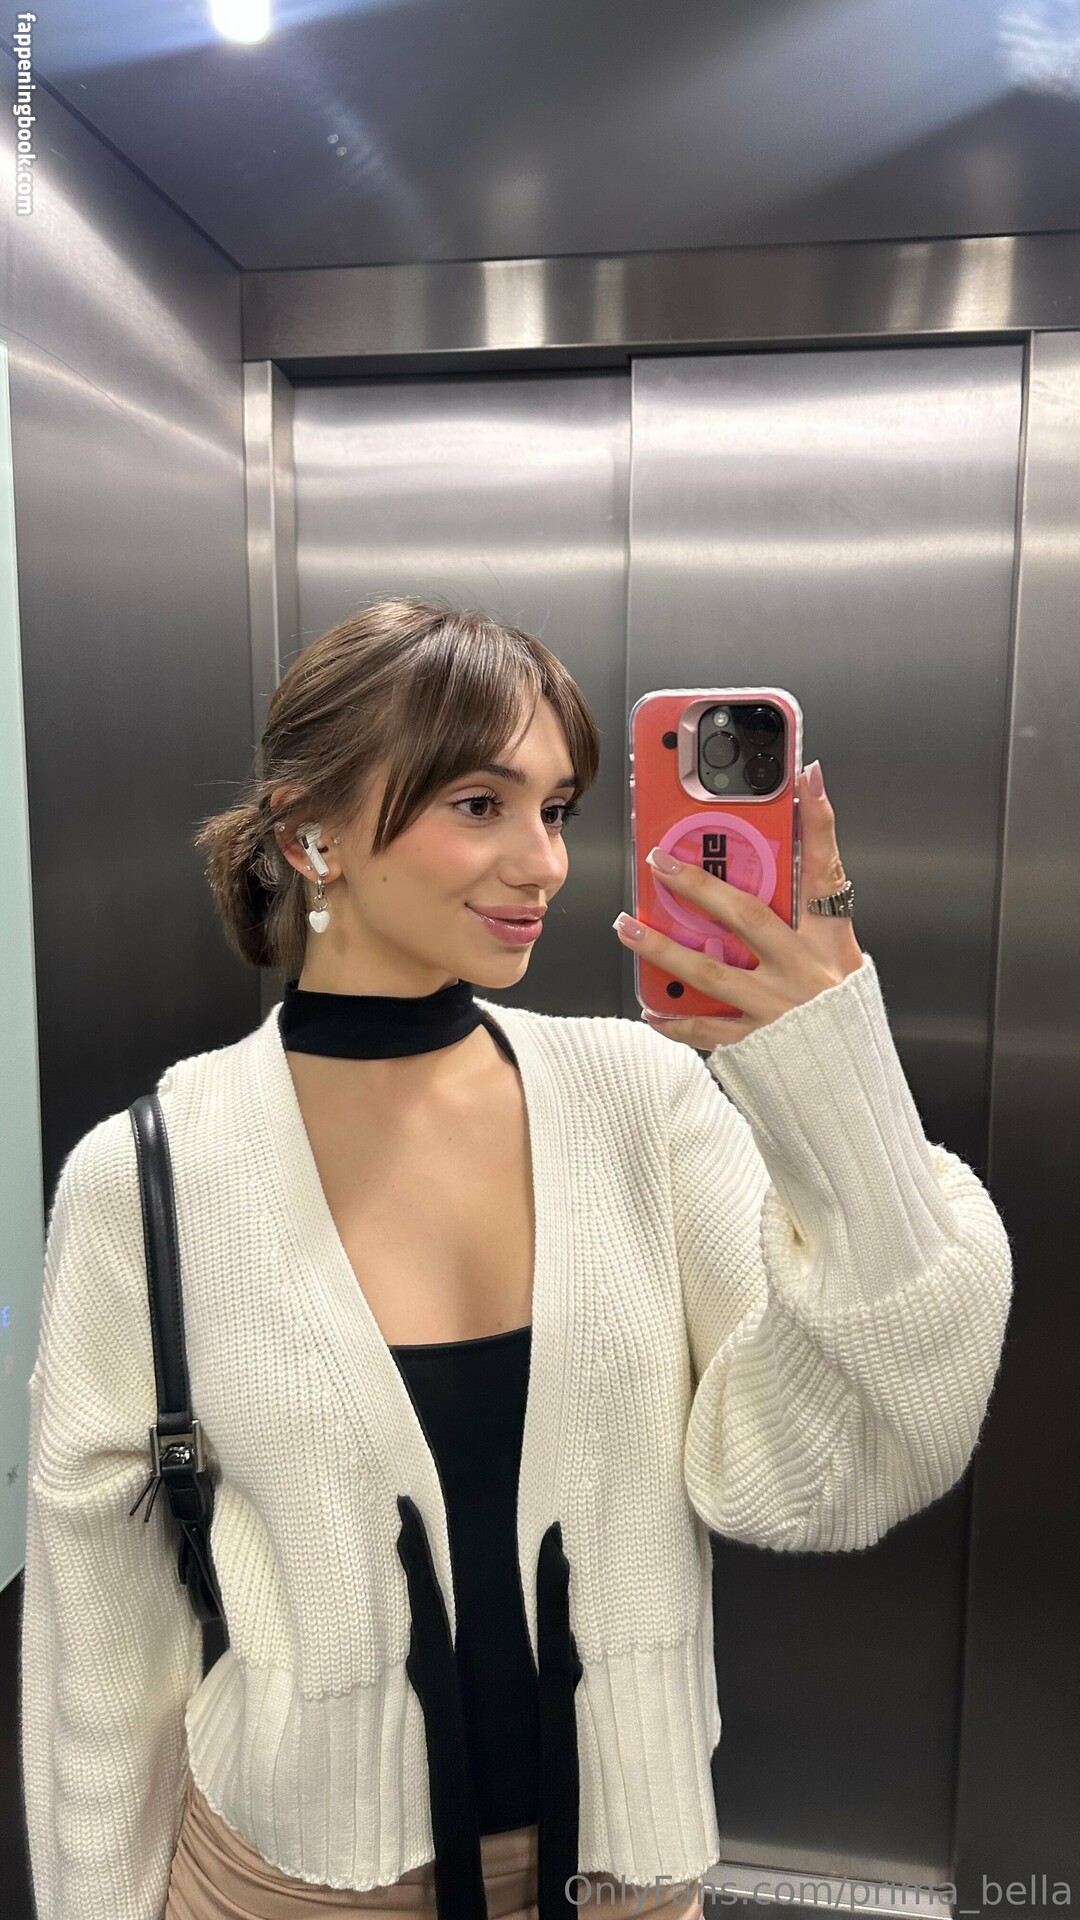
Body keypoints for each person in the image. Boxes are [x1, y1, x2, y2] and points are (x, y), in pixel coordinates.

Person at [20, 597, 1014, 1920]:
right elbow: (100, 1651)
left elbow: (838, 1471)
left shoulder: (641, 1102)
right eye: (481, 805)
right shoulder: (146, 1176)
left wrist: (840, 1089)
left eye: (557, 809)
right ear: (312, 832)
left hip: (622, 1881)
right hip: (283, 1886)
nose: (544, 862)